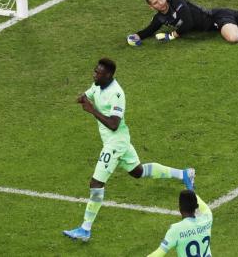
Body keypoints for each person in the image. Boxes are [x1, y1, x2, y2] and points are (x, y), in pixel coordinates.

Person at [63, 58, 195, 242]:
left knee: (96, 184)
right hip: (117, 141)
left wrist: (92, 110)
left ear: (108, 75)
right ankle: (184, 175)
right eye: (95, 71)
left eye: (97, 72)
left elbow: (114, 124)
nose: (94, 74)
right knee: (138, 172)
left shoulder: (117, 94)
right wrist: (80, 98)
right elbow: (87, 96)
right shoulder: (98, 86)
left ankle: (85, 229)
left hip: (115, 142)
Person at [147, 190, 213, 257]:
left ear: (180, 208)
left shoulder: (176, 229)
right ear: (196, 206)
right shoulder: (207, 218)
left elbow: (159, 253)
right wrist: (191, 190)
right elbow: (205, 208)